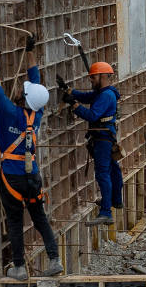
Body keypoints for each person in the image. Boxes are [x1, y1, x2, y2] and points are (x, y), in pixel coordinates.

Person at [0, 34, 63, 280]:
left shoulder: (9, 112)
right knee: (39, 217)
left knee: (14, 221)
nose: (21, 87)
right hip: (32, 176)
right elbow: (36, 84)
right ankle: (54, 259)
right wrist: (31, 52)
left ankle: (19, 267)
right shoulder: (36, 114)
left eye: (23, 89)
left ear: (23, 98)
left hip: (12, 176)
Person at [57, 62, 123, 226]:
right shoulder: (102, 92)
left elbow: (92, 115)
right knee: (112, 169)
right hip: (105, 137)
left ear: (103, 76)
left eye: (93, 77)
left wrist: (74, 105)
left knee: (102, 173)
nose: (91, 81)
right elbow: (86, 97)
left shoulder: (106, 96)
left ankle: (106, 212)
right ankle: (115, 200)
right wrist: (69, 91)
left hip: (102, 138)